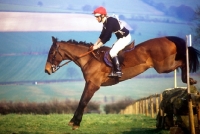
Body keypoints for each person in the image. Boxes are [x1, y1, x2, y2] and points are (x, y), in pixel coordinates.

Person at [92, 6, 131, 78]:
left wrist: (98, 46)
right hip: (121, 38)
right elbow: (102, 34)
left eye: (97, 17)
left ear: (103, 15)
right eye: (95, 17)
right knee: (113, 49)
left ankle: (118, 71)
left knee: (112, 52)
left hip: (125, 38)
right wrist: (95, 44)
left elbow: (107, 36)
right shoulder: (105, 22)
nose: (96, 18)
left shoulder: (110, 22)